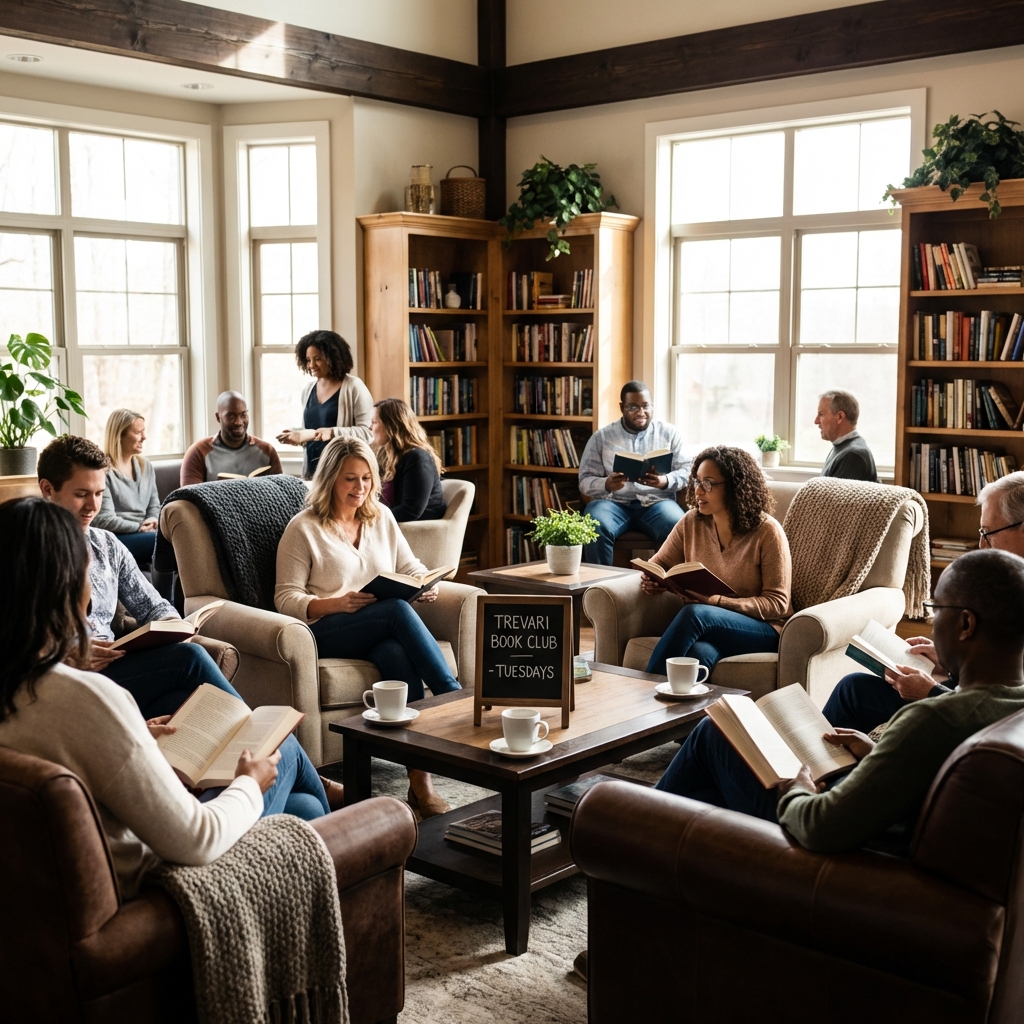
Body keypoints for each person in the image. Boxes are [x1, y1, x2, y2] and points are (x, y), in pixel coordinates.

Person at [656, 549, 1024, 855]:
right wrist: (875, 755)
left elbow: (819, 827)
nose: (931, 623)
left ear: (965, 625)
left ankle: (637, 833)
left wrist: (795, 788)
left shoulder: (931, 720)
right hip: (885, 828)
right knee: (714, 785)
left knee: (714, 733)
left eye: (935, 609)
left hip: (845, 861)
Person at [275, 436, 458, 817]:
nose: (360, 488)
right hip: (324, 630)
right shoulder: (303, 528)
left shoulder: (381, 518)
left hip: (375, 629)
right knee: (395, 610)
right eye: (350, 479)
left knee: (395, 655)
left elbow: (409, 566)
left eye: (366, 478)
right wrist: (335, 603)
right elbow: (285, 598)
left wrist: (426, 583)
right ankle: (452, 697)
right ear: (330, 479)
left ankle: (420, 784)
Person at [824, 469, 1024, 735]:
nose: (981, 544)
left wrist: (930, 692)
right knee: (854, 687)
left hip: (978, 722)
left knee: (852, 694)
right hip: (967, 701)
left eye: (988, 533)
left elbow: (1005, 712)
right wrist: (950, 661)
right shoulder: (1010, 583)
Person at [643, 446, 791, 677]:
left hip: (764, 629)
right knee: (700, 653)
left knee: (694, 613)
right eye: (697, 482)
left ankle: (643, 686)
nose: (698, 491)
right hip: (713, 627)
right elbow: (658, 564)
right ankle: (677, 702)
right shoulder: (692, 522)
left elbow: (777, 603)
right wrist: (652, 580)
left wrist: (717, 602)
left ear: (734, 487)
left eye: (708, 484)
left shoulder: (767, 531)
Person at [577, 381, 691, 565]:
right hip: (612, 503)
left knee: (677, 524)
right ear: (622, 407)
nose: (640, 412)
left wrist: (665, 481)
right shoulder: (602, 437)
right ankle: (600, 582)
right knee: (595, 525)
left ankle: (667, 582)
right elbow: (584, 480)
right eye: (633, 407)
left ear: (652, 406)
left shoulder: (670, 434)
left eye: (645, 406)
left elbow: (687, 470)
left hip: (657, 502)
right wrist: (606, 484)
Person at [276, 330, 373, 480]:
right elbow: (315, 431)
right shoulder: (308, 390)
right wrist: (297, 435)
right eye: (308, 360)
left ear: (333, 357)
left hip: (341, 473)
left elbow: (368, 433)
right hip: (312, 474)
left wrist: (332, 433)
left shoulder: (354, 386)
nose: (311, 365)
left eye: (318, 359)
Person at [93, 408, 160, 570]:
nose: (144, 437)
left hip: (145, 532)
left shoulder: (146, 466)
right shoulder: (103, 471)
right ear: (119, 436)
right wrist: (139, 527)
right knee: (163, 543)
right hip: (117, 537)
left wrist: (152, 520)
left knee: (177, 538)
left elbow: (154, 506)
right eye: (137, 432)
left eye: (143, 431)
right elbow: (104, 519)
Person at [180, 391, 282, 486]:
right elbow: (189, 496)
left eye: (243, 415)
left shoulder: (267, 451)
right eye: (231, 416)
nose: (239, 422)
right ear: (218, 417)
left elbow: (281, 492)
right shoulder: (198, 452)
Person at [371, 397, 446, 522]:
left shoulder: (418, 458)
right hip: (392, 522)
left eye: (374, 422)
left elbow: (410, 511)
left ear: (391, 426)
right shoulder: (385, 455)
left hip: (416, 528)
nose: (370, 427)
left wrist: (372, 519)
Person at [816, 389, 878, 482]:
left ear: (840, 417)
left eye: (821, 415)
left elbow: (835, 492)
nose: (816, 421)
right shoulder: (842, 448)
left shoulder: (852, 456)